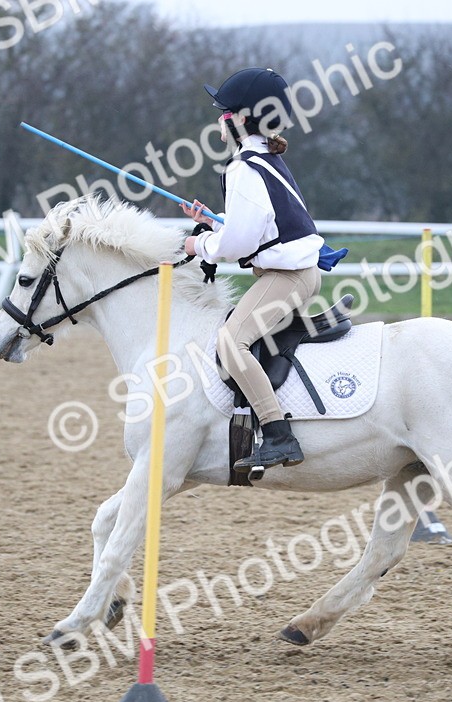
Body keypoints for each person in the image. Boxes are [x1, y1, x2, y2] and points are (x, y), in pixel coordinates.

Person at [181, 68, 323, 473]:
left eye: (222, 112)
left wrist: (199, 245)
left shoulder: (243, 167)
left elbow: (239, 245)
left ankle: (278, 435)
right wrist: (215, 222)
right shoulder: (265, 158)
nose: (218, 120)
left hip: (286, 278)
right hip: (298, 273)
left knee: (231, 343)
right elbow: (260, 225)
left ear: (240, 118)